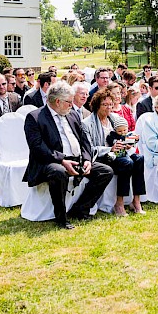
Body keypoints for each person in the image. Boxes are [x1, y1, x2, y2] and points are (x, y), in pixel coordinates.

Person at [23, 81, 114, 229]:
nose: (72, 105)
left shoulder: (72, 114)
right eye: (69, 102)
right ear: (57, 101)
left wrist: (87, 160)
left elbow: (84, 140)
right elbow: (37, 148)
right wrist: (62, 160)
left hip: (76, 158)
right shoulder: (35, 117)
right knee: (58, 172)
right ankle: (61, 217)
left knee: (105, 171)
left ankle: (80, 209)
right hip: (50, 160)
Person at [83, 87, 146, 216]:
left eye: (110, 104)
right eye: (104, 105)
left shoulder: (114, 118)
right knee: (126, 162)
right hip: (103, 157)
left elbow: (125, 134)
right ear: (96, 105)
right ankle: (119, 203)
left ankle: (136, 200)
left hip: (120, 152)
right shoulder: (87, 123)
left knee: (139, 158)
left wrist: (128, 142)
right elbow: (89, 148)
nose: (108, 108)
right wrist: (110, 149)